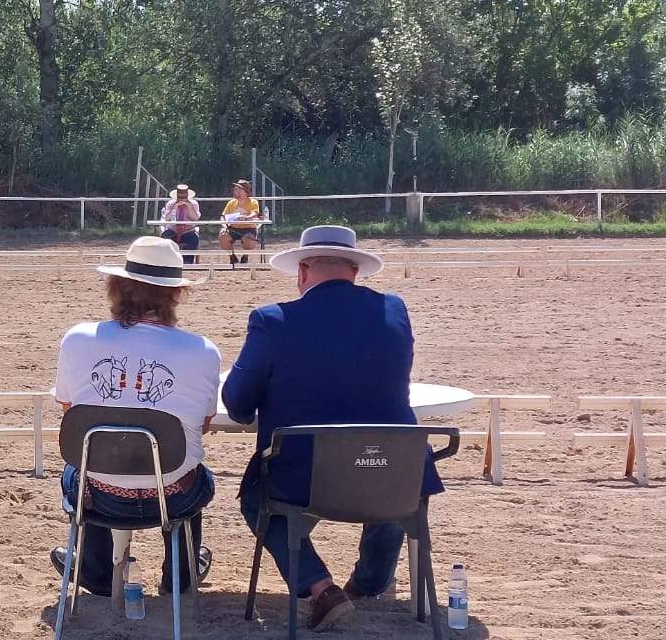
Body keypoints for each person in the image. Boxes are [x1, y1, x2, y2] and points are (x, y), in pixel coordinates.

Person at [221, 225, 440, 633]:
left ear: (303, 271)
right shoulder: (395, 310)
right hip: (394, 470)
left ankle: (321, 588)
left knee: (256, 496)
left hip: (307, 476)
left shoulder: (271, 321)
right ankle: (369, 582)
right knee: (386, 467)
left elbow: (236, 404)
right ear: (354, 272)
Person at [49, 236, 219, 598]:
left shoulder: (77, 339)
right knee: (195, 473)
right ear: (175, 295)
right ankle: (182, 574)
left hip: (102, 496)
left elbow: (71, 413)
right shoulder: (202, 351)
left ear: (117, 289)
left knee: (84, 461)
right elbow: (203, 426)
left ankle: (94, 570)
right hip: (172, 496)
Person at [218, 179, 265, 263]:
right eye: (235, 189)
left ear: (245, 191)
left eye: (237, 189)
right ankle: (232, 257)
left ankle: (245, 256)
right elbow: (223, 216)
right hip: (232, 228)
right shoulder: (231, 203)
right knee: (223, 236)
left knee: (248, 239)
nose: (235, 191)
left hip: (248, 228)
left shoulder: (253, 202)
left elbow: (254, 213)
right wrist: (224, 226)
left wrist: (246, 218)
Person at [159, 184, 202, 264]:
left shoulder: (194, 203)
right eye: (180, 197)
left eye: (184, 197)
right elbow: (167, 218)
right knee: (165, 238)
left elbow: (195, 218)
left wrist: (189, 206)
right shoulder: (170, 203)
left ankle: (187, 262)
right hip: (173, 230)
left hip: (188, 230)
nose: (182, 199)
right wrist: (174, 207)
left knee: (193, 239)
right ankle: (166, 263)